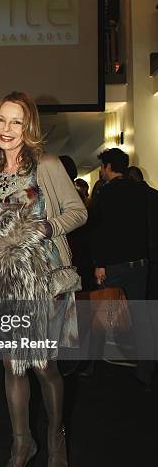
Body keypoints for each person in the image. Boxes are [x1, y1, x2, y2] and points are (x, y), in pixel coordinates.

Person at [0, 91, 87, 467]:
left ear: (29, 127)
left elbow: (78, 211)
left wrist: (47, 227)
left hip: (45, 281)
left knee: (43, 366)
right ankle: (22, 445)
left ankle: (56, 438)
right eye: (2, 120)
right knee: (12, 365)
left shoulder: (47, 165)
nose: (7, 130)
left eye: (16, 122)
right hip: (7, 284)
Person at [91, 149, 154, 388]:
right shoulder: (143, 192)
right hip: (140, 263)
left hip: (114, 264)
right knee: (141, 315)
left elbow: (102, 232)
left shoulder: (106, 194)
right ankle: (145, 369)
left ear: (107, 167)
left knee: (101, 310)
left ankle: (93, 363)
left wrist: (99, 264)